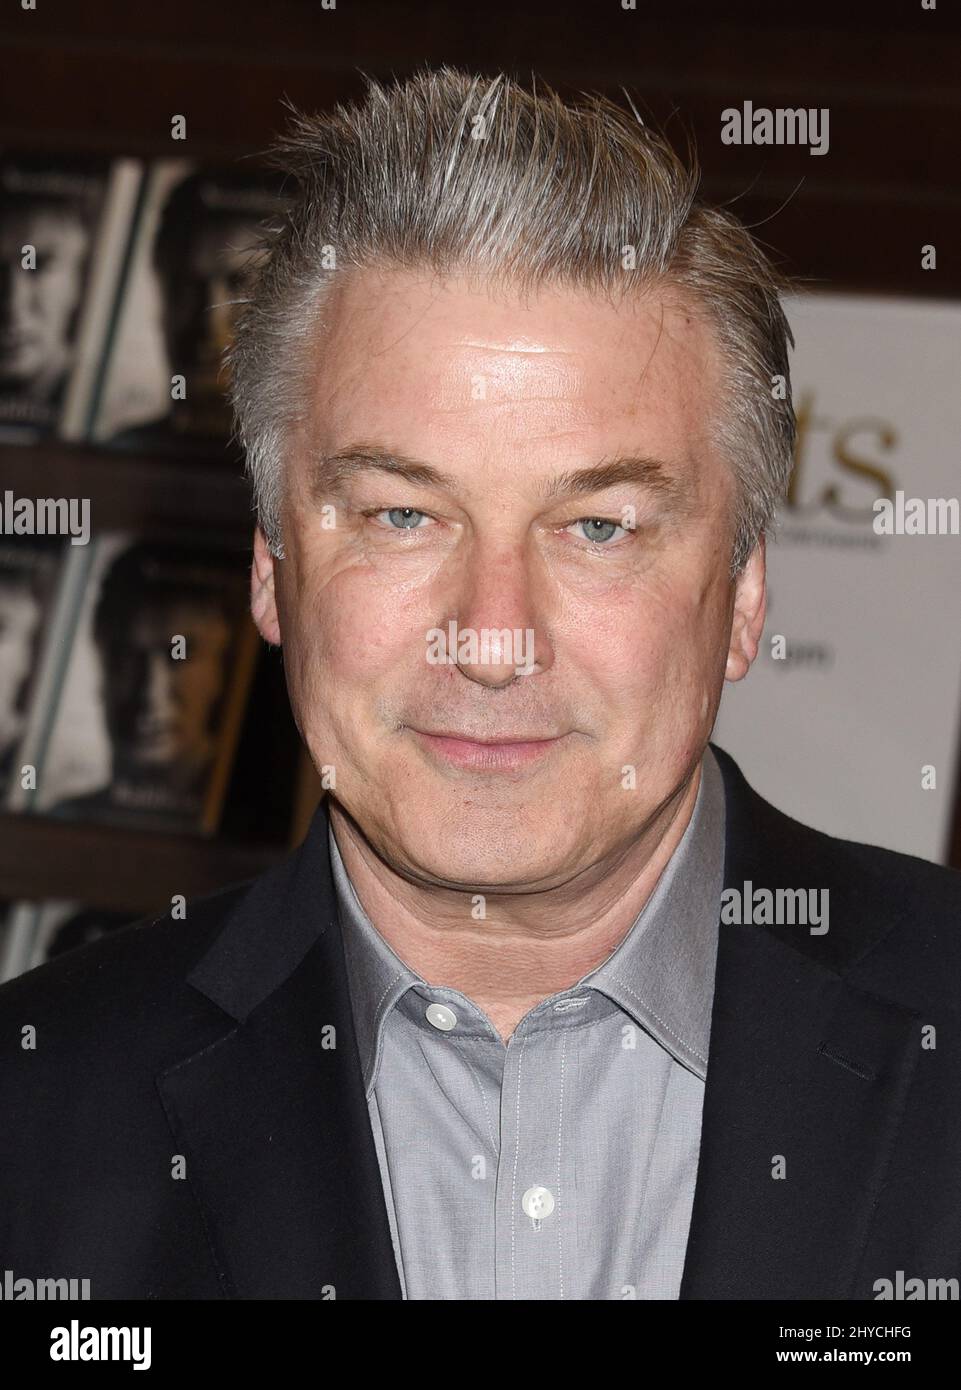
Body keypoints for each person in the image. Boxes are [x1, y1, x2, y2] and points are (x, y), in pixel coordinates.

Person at [0, 67, 959, 1302]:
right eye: (403, 514)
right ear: (273, 573)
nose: (493, 640)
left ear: (744, 594)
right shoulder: (32, 1123)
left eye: (599, 527)